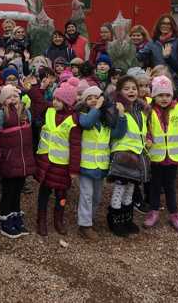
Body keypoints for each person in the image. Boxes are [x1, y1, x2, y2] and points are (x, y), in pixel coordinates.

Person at [30, 78, 82, 236]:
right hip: (46, 163)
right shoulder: (49, 111)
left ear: (68, 103)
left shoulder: (73, 120)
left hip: (62, 165)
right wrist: (36, 87)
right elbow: (38, 101)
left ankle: (58, 220)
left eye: (59, 100)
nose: (55, 102)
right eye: (54, 98)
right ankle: (41, 220)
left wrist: (74, 169)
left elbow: (75, 146)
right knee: (44, 194)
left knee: (61, 196)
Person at [0, 83, 35, 239]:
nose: (13, 99)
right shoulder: (1, 114)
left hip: (23, 160)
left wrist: (32, 88)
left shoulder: (26, 113)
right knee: (8, 191)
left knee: (17, 191)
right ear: (3, 100)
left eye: (15, 96)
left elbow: (40, 107)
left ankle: (16, 216)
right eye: (9, 96)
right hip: (8, 160)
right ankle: (5, 219)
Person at [107, 75, 149, 237]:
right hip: (123, 154)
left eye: (134, 88)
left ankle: (127, 218)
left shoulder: (141, 109)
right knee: (120, 187)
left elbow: (141, 130)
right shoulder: (115, 109)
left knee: (131, 188)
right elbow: (116, 133)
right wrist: (121, 114)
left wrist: (147, 140)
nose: (131, 91)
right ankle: (114, 219)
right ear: (119, 91)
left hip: (137, 154)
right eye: (126, 88)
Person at [76, 85, 120, 240]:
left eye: (96, 97)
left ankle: (90, 219)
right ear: (84, 101)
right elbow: (86, 123)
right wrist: (98, 107)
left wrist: (120, 115)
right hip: (86, 165)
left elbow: (118, 133)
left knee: (97, 196)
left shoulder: (106, 119)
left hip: (101, 166)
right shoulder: (83, 114)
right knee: (87, 195)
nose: (94, 100)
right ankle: (85, 225)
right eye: (89, 98)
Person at [144, 76, 178, 232]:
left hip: (173, 157)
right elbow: (146, 128)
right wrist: (148, 138)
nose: (164, 98)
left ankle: (174, 214)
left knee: (170, 186)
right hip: (156, 155)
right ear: (154, 96)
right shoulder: (149, 110)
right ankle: (153, 212)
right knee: (155, 185)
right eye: (160, 95)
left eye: (167, 95)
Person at [137, 14, 178, 91]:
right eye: (162, 23)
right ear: (158, 25)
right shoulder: (153, 42)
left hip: (175, 80)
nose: (165, 26)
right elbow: (140, 56)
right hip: (157, 80)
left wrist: (176, 76)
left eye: (168, 24)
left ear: (172, 26)